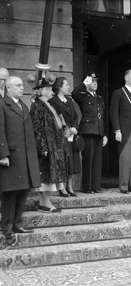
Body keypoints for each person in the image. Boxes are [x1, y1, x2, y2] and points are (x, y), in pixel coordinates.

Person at [0, 76, 41, 238]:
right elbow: (0, 131)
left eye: (22, 85)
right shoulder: (2, 104)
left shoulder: (24, 106)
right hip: (11, 157)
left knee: (23, 191)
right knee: (10, 192)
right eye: (18, 85)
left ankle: (17, 224)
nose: (21, 88)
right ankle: (6, 226)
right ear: (8, 88)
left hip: (26, 157)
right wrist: (2, 154)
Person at [30, 78, 69, 213]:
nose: (51, 91)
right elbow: (37, 128)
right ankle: (45, 203)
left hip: (54, 145)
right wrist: (42, 147)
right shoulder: (37, 105)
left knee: (50, 176)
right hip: (46, 146)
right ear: (42, 91)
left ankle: (44, 203)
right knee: (46, 176)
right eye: (48, 89)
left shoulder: (49, 104)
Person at [72, 72, 108, 194]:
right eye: (92, 82)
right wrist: (84, 84)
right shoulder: (83, 95)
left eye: (96, 82)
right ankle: (87, 187)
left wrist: (105, 134)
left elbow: (102, 116)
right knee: (88, 159)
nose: (95, 84)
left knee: (97, 160)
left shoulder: (99, 98)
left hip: (98, 130)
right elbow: (74, 94)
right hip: (88, 130)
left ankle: (96, 186)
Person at [50, 77, 81, 197]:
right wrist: (67, 128)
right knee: (64, 162)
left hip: (72, 135)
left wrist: (74, 128)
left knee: (72, 161)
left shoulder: (69, 100)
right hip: (62, 136)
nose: (68, 87)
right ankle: (62, 187)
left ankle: (70, 186)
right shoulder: (53, 101)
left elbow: (75, 116)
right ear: (59, 87)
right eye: (66, 85)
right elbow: (56, 117)